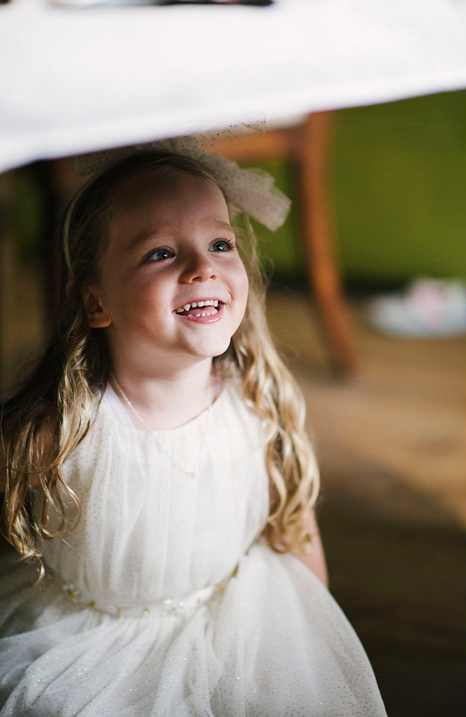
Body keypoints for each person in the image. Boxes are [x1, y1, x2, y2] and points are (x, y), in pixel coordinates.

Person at [0, 150, 387, 715]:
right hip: (86, 644)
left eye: (220, 244)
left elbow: (296, 528)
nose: (202, 268)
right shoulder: (58, 430)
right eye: (160, 252)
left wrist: (313, 640)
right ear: (95, 300)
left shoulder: (256, 406)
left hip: (239, 621)